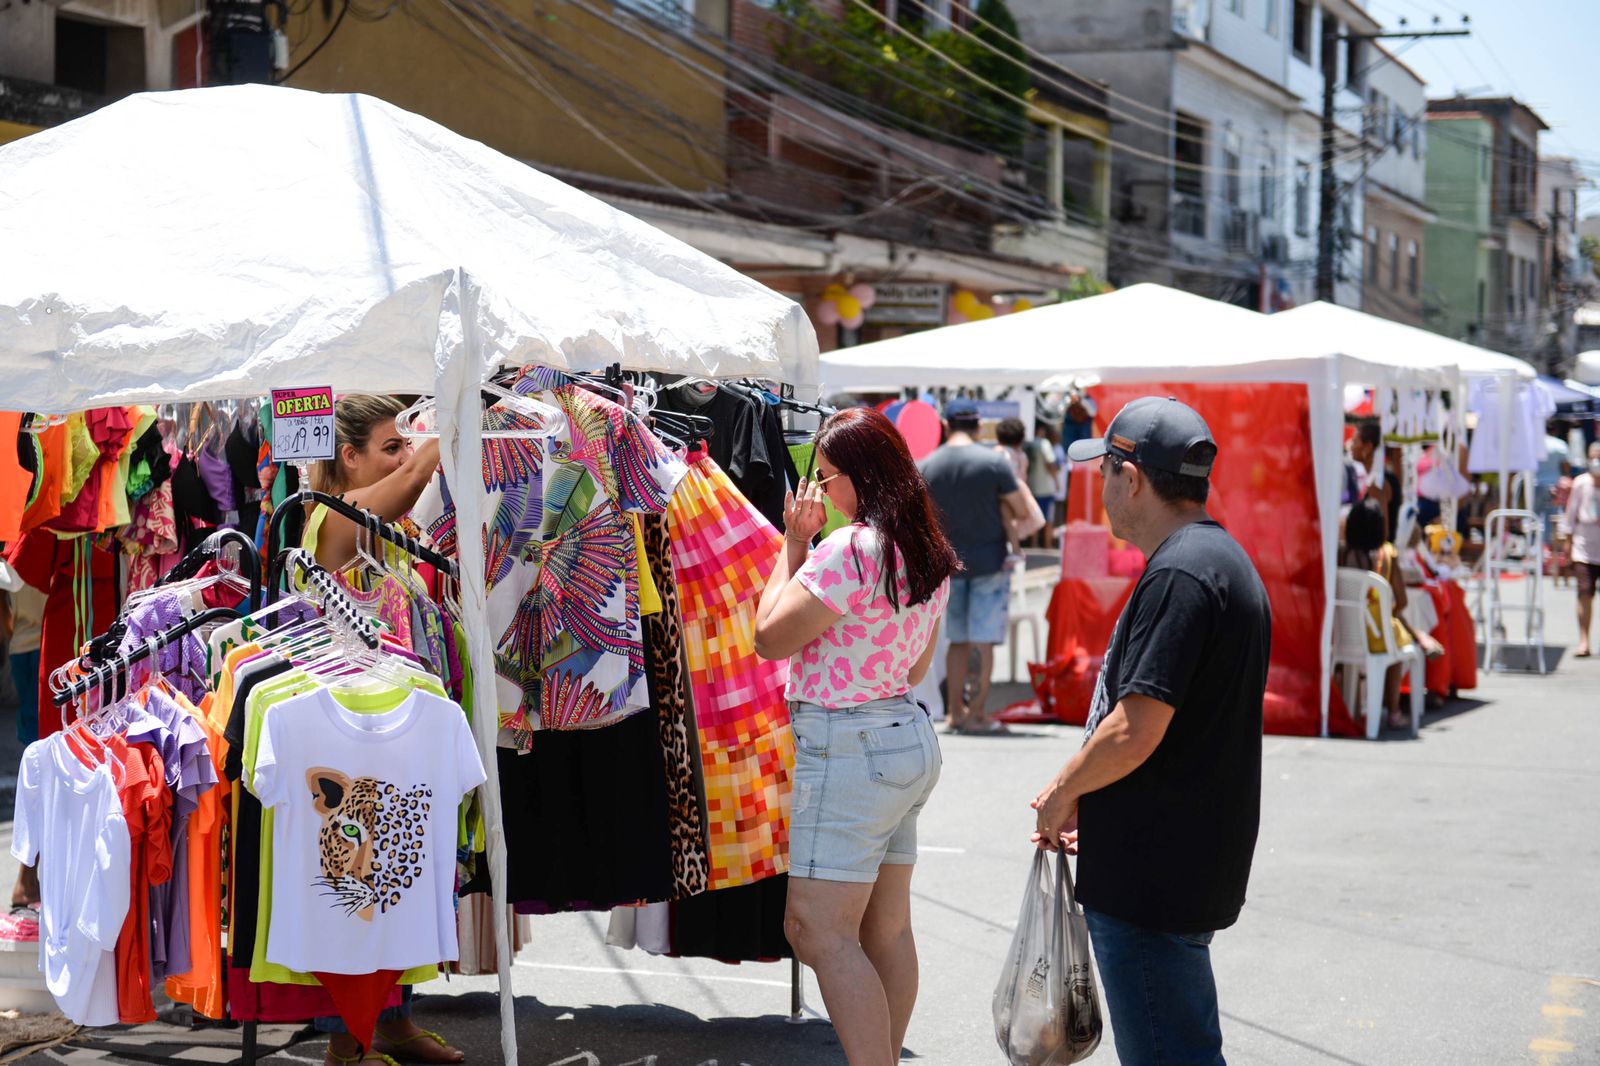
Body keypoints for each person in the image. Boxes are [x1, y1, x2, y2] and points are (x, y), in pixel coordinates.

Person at [1028, 397, 1270, 1066]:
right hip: (1176, 860)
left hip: (1155, 876)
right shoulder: (1214, 560)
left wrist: (1060, 793)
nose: (1101, 491)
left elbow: (1136, 727)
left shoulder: (1183, 573)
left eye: (1105, 473)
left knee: (1170, 1054)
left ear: (1130, 477)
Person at [752, 407, 956, 1066]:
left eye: (828, 477)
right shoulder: (927, 549)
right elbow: (918, 667)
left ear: (861, 477)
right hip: (904, 737)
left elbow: (768, 637)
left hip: (849, 745)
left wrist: (792, 545)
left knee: (818, 930)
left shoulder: (851, 549)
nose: (822, 492)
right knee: (886, 927)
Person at [305, 395, 457, 1066]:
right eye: (389, 444)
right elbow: (406, 486)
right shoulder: (327, 523)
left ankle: (393, 1023)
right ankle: (349, 1042)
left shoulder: (369, 521)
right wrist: (451, 420)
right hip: (350, 735)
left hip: (394, 724)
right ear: (351, 456)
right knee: (361, 886)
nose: (401, 455)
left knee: (402, 876)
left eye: (403, 444)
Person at [919, 400, 1040, 735]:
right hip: (990, 561)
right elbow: (1019, 509)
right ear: (977, 426)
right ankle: (978, 713)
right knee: (984, 640)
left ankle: (956, 712)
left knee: (956, 641)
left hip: (949, 565)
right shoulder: (993, 463)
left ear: (945, 425)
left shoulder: (927, 464)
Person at [1341, 497, 1442, 729]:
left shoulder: (1341, 554)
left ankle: (1354, 705)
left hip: (1344, 633)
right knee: (1397, 639)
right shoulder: (1386, 555)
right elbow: (1402, 601)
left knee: (1391, 630)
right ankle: (1393, 710)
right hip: (1376, 636)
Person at [1565, 442, 1600, 658]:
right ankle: (1584, 640)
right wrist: (1567, 545)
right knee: (1584, 593)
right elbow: (1570, 515)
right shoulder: (1580, 483)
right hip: (1584, 547)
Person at [1024, 422, 1061, 549]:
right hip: (1045, 487)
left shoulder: (1028, 443)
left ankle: (1034, 544)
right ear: (1042, 430)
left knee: (1034, 516)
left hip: (1031, 486)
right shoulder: (1044, 443)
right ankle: (1047, 545)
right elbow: (1050, 462)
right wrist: (1056, 481)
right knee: (1048, 519)